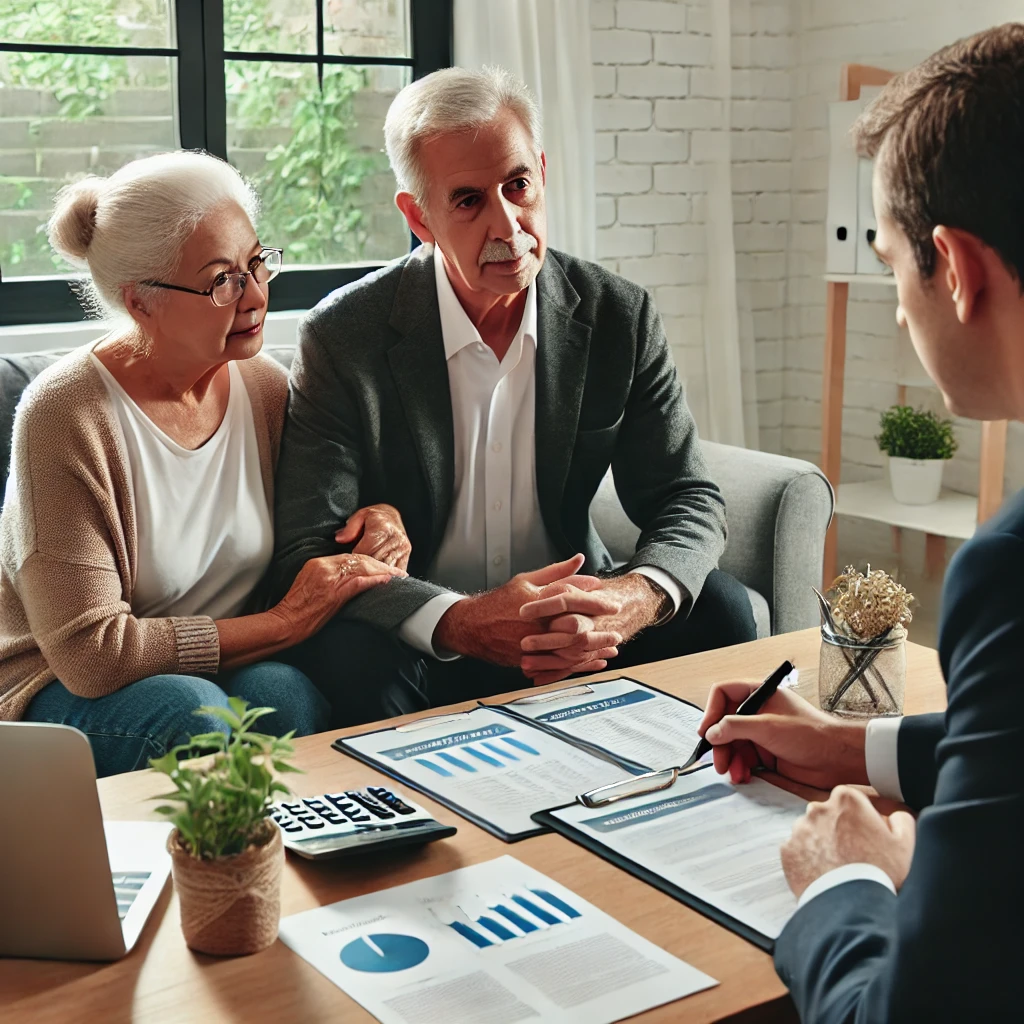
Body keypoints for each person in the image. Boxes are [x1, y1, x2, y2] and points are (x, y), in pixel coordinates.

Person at [698, 24, 1024, 1020]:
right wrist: (858, 752)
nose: (895, 308)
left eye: (889, 265)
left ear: (955, 269)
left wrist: (845, 879)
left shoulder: (1008, 567)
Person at [269, 66, 757, 722]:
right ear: (419, 215)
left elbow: (686, 495)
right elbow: (306, 547)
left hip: (576, 625)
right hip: (429, 634)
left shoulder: (618, 315)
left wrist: (632, 599)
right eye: (468, 200)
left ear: (542, 174)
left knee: (721, 608)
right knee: (351, 658)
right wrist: (462, 621)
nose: (508, 224)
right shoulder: (342, 334)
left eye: (518, 185)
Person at [0, 152, 409, 777]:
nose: (255, 294)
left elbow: (312, 521)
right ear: (141, 302)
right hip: (56, 683)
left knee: (284, 695)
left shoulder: (265, 387)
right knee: (191, 713)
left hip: (220, 666)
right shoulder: (64, 414)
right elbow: (92, 655)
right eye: (222, 279)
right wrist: (281, 622)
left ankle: (305, 868)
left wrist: (379, 516)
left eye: (256, 262)